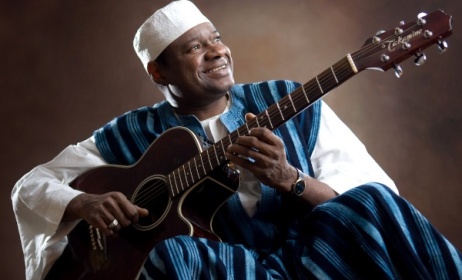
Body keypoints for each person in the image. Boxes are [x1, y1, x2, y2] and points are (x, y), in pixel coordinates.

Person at [12, 1, 462, 279]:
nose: (217, 52)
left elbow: (370, 195)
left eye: (217, 39)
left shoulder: (288, 99)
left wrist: (290, 179)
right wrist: (82, 204)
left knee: (372, 205)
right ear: (159, 72)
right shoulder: (133, 132)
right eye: (194, 48)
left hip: (310, 257)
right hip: (227, 269)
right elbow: (31, 185)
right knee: (171, 256)